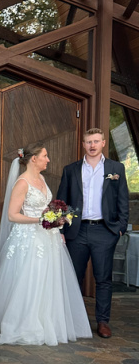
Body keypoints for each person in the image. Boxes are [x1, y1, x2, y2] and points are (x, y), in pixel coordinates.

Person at [0, 144, 92, 346]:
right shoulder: (22, 183)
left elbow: (46, 208)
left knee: (47, 279)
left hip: (49, 238)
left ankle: (47, 321)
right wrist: (40, 220)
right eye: (45, 156)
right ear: (33, 159)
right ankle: (26, 323)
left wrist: (57, 219)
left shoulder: (42, 179)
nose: (48, 159)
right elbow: (12, 215)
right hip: (29, 239)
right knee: (30, 279)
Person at [57, 128, 129, 338]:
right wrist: (61, 229)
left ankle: (103, 322)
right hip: (77, 231)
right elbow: (62, 201)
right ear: (83, 144)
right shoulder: (71, 170)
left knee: (103, 278)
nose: (92, 145)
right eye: (89, 142)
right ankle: (74, 321)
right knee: (74, 277)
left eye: (96, 141)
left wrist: (120, 228)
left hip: (105, 231)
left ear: (103, 143)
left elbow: (123, 199)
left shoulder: (116, 168)